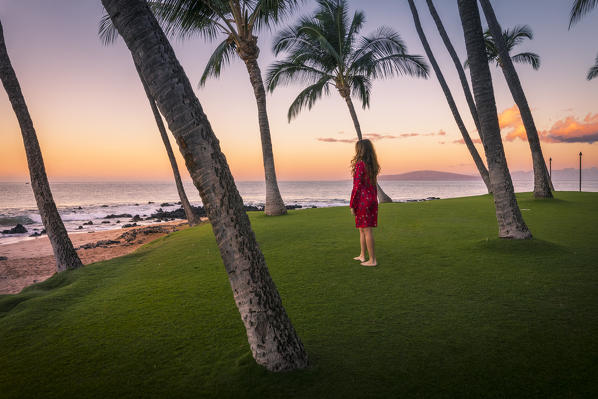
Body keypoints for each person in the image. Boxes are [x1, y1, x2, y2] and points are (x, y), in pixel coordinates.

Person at [350, 139, 379, 267]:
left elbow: (356, 186)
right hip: (371, 199)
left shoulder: (360, 165)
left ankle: (372, 260)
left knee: (366, 230)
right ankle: (362, 255)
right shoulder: (372, 166)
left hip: (363, 201)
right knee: (362, 229)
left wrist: (352, 204)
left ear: (360, 150)